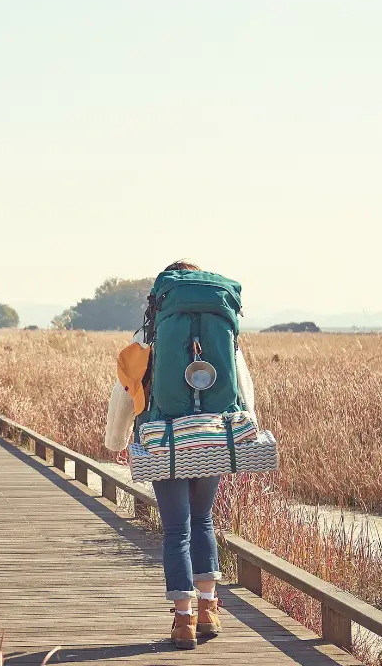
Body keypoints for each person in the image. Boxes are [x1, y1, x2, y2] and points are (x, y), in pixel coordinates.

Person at [103, 260, 257, 650]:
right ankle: (209, 609)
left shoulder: (150, 336)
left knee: (176, 530)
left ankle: (184, 620)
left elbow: (125, 392)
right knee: (203, 520)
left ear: (161, 299)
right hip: (211, 435)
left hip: (165, 437)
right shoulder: (223, 333)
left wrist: (117, 443)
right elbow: (243, 389)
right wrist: (242, 434)